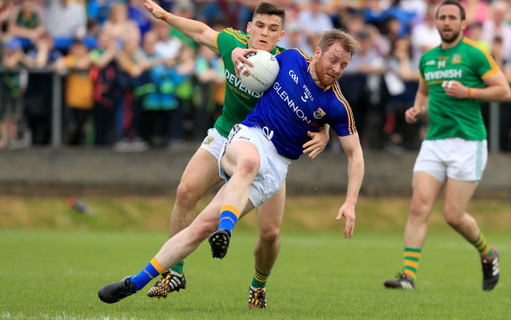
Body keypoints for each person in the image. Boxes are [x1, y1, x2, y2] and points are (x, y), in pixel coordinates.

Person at [98, 29, 364, 308]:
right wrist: (235, 52)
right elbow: (237, 48)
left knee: (201, 227)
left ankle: (135, 282)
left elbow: (355, 154)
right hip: (250, 136)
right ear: (318, 52)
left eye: (343, 65)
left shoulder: (337, 105)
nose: (336, 69)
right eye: (333, 60)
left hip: (277, 167)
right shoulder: (290, 58)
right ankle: (226, 229)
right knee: (247, 164)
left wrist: (350, 201)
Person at [384, 0, 511, 291]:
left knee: (453, 216)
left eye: (453, 17)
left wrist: (468, 91)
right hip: (434, 142)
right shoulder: (427, 59)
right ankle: (408, 276)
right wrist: (418, 108)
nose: (447, 22)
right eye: (442, 17)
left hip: (468, 142)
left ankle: (487, 252)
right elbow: (423, 92)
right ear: (436, 22)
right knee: (418, 207)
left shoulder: (475, 54)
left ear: (463, 23)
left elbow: (503, 91)